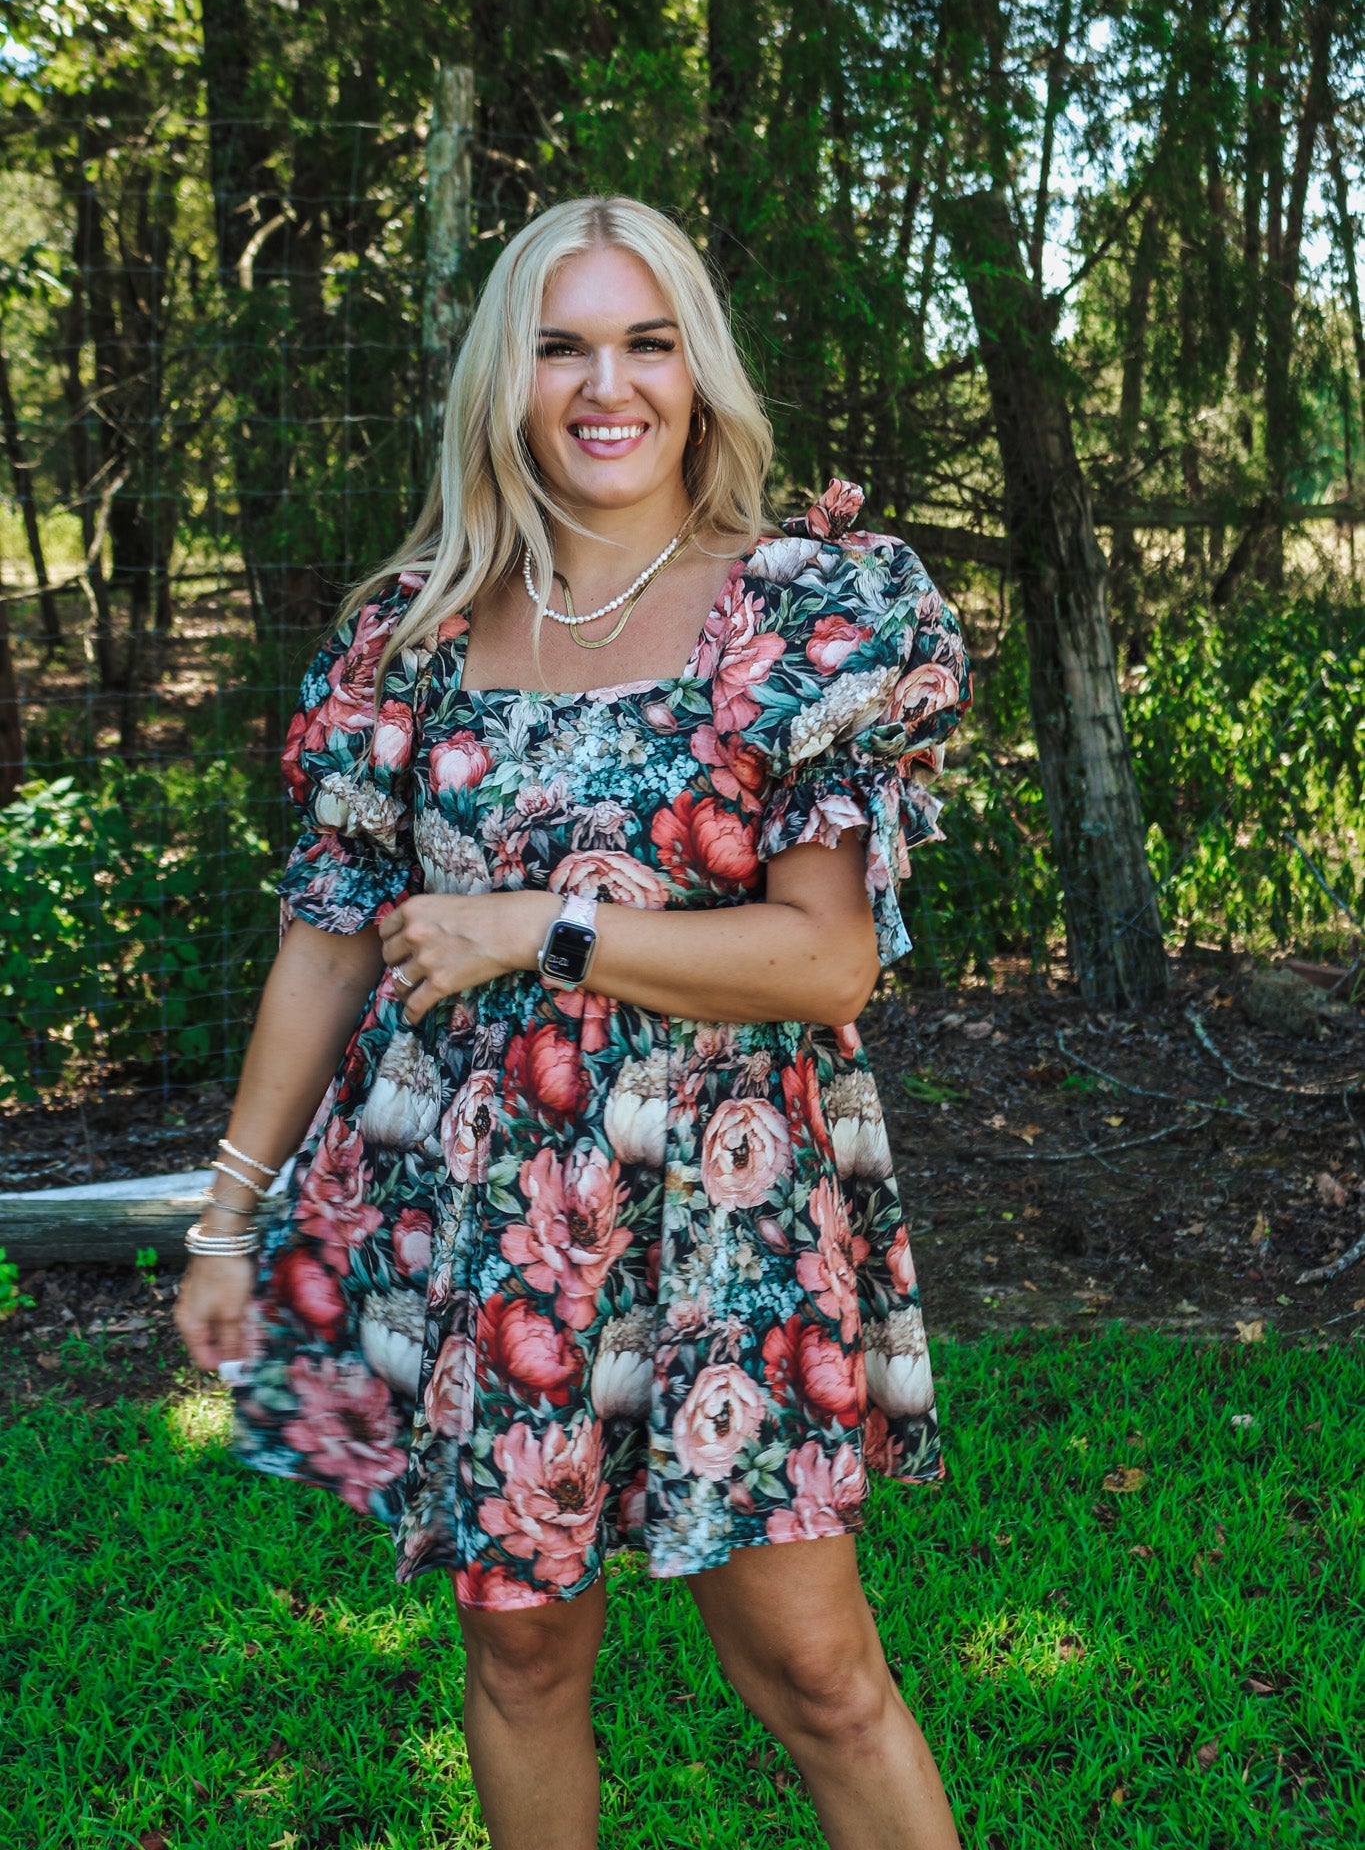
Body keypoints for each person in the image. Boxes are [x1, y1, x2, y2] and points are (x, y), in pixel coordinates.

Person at [175, 195, 970, 1850]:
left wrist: (539, 932)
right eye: (558, 346)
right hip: (489, 1223)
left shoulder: (802, 612)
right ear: (503, 380)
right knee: (522, 1649)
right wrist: (227, 1218)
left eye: (644, 341)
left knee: (817, 1670)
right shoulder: (413, 632)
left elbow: (825, 966)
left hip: (730, 1207)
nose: (604, 387)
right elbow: (326, 945)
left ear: (698, 372)